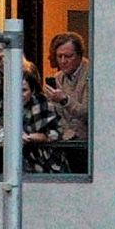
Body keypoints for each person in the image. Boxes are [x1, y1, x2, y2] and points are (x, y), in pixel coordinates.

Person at [0, 64, 67, 174]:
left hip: (46, 163)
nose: (19, 95)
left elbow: (57, 133)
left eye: (24, 90)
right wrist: (12, 136)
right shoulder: (2, 106)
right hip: (11, 164)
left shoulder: (44, 104)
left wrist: (32, 137)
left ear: (32, 90)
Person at [44, 32, 91, 172]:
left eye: (68, 56)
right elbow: (56, 114)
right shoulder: (59, 77)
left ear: (79, 55)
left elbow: (88, 113)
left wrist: (65, 100)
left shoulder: (91, 74)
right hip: (66, 143)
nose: (63, 61)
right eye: (59, 56)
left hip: (89, 145)